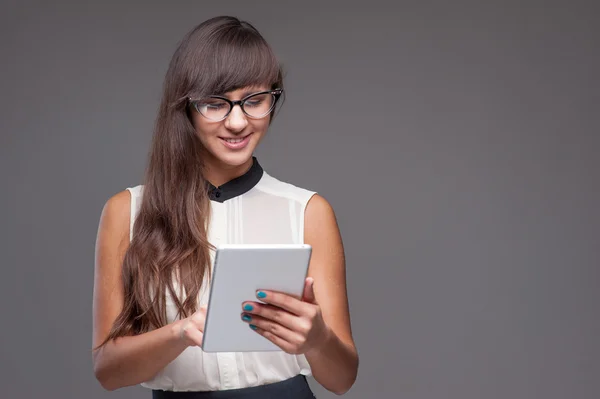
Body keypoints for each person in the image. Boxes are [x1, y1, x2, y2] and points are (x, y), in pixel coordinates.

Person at [92, 15, 358, 398]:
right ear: (184, 107)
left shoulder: (307, 210)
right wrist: (180, 333)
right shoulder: (127, 211)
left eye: (255, 101)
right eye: (216, 104)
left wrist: (316, 338)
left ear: (273, 97)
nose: (238, 122)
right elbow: (107, 372)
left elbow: (343, 378)